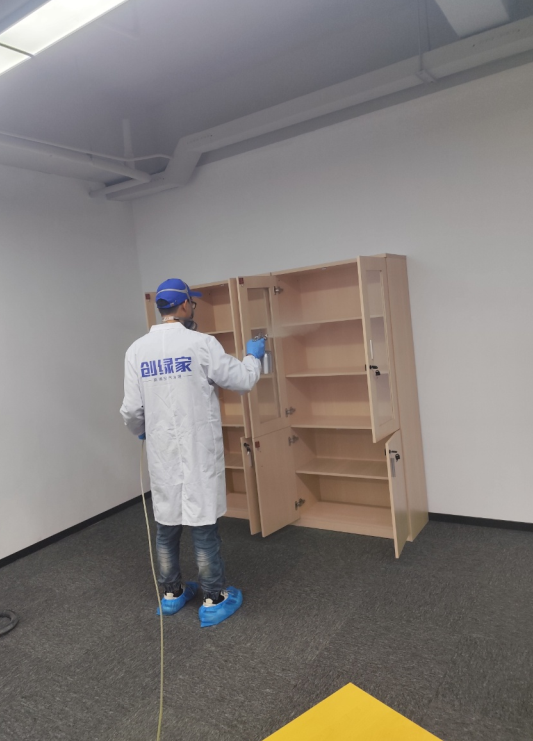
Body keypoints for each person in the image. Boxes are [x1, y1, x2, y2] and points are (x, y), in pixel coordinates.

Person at [120, 278, 265, 627]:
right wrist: (253, 357)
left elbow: (131, 410)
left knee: (166, 526)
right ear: (185, 305)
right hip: (197, 451)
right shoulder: (201, 344)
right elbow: (242, 380)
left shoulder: (137, 350)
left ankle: (171, 595)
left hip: (163, 453)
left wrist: (141, 430)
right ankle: (213, 598)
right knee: (203, 527)